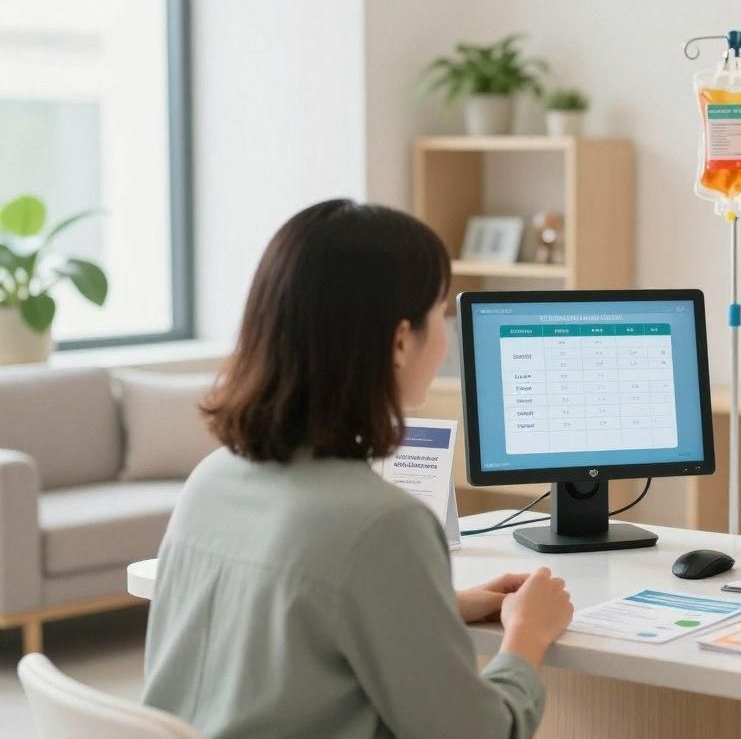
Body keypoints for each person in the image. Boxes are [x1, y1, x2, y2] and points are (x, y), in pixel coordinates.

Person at [142, 200, 573, 738]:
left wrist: (432, 610)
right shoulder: (381, 524)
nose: (446, 338)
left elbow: (292, 625)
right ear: (399, 341)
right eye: (442, 314)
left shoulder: (211, 479)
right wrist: (527, 637)